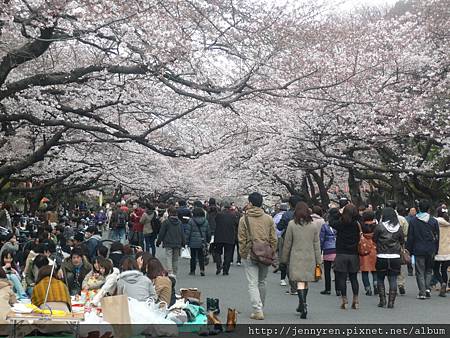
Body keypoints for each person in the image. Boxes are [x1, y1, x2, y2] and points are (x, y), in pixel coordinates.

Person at [238, 192, 277, 320]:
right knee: (262, 281)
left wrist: (243, 253)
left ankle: (257, 309)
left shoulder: (244, 219)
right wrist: (272, 251)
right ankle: (261, 306)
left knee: (252, 283)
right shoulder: (269, 218)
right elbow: (273, 238)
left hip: (250, 253)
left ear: (250, 203)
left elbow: (242, 239)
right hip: (265, 253)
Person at [280, 202, 321, 319]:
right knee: (305, 281)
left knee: (300, 281)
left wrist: (284, 259)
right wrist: (319, 260)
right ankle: (302, 303)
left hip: (296, 256)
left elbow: (287, 244)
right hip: (310, 257)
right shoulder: (313, 226)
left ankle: (303, 304)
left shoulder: (292, 225)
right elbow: (316, 244)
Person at [329, 203, 360, 310]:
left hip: (341, 253)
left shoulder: (340, 223)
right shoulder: (357, 224)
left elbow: (331, 222)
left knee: (342, 278)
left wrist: (337, 212)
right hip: (354, 254)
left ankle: (345, 300)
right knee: (353, 278)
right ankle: (355, 300)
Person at [406, 200, 440, 299]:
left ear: (419, 208)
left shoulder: (413, 221)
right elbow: (437, 236)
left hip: (418, 249)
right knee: (429, 270)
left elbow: (410, 237)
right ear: (428, 209)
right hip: (431, 248)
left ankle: (422, 292)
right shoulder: (433, 221)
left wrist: (409, 250)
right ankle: (427, 288)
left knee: (420, 271)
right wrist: (436, 249)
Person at [374, 207, 405, 308]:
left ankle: (382, 300)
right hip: (395, 257)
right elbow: (402, 241)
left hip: (381, 256)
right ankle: (391, 302)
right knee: (393, 280)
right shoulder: (398, 228)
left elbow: (375, 239)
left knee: (380, 278)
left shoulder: (380, 227)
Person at [276, 195, 302, 294]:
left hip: (288, 240)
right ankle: (301, 288)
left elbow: (279, 227)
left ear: (290, 204)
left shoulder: (287, 215)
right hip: (302, 241)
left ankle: (293, 287)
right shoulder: (305, 214)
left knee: (288, 263)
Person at [156, 207, 185, 277]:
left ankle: (170, 271)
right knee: (175, 258)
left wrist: (158, 241)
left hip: (168, 242)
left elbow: (161, 233)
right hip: (178, 242)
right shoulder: (180, 222)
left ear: (169, 213)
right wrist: (183, 242)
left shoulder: (166, 222)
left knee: (169, 257)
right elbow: (182, 233)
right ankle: (174, 272)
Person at [214, 201, 239, 276]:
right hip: (230, 236)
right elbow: (237, 224)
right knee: (228, 254)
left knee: (217, 252)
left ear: (223, 207)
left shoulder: (218, 215)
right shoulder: (233, 215)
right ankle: (225, 270)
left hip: (219, 236)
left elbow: (215, 222)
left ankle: (219, 265)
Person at [186, 207, 210, 276]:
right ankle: (202, 270)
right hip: (202, 242)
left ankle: (192, 271)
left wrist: (186, 242)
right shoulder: (205, 221)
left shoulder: (191, 221)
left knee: (193, 257)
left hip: (192, 242)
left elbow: (188, 232)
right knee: (201, 257)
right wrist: (208, 240)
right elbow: (208, 232)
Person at [359, 211, 378, 296]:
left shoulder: (361, 226)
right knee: (375, 270)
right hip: (374, 248)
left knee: (364, 271)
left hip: (364, 248)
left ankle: (368, 289)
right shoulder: (376, 226)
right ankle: (376, 284)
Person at [434, 206, 450, 297]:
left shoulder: (435, 222)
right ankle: (445, 283)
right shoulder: (448, 225)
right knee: (444, 270)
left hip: (437, 250)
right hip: (447, 251)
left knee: (435, 269)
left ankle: (442, 283)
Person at [319, 218, 337, 295]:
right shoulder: (338, 225)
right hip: (337, 248)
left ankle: (328, 289)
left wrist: (320, 248)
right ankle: (338, 289)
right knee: (337, 271)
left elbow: (321, 238)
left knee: (327, 270)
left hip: (327, 249)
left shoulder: (325, 226)